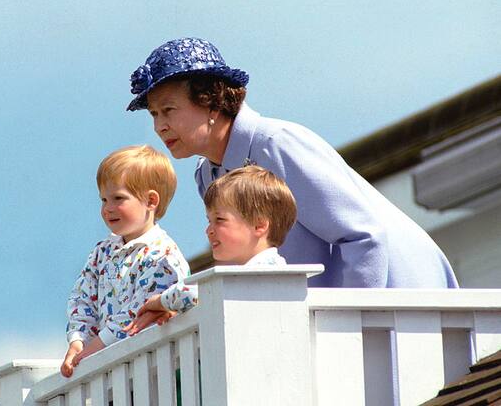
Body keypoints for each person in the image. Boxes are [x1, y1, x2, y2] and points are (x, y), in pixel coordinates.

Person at [125, 37, 458, 289]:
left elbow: (363, 236)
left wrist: (347, 331)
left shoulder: (276, 144)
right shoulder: (208, 173)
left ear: (211, 101)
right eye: (154, 114)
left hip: (403, 301)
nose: (159, 126)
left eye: (168, 110)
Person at [61, 145, 190, 377]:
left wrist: (95, 348)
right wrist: (78, 341)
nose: (107, 209)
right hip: (112, 371)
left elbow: (139, 310)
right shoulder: (103, 251)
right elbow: (82, 296)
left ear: (151, 201)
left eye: (118, 198)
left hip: (153, 369)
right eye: (103, 199)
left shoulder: (163, 255)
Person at [124, 165, 297, 335]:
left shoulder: (264, 270)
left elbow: (194, 293)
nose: (209, 230)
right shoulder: (254, 272)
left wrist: (159, 302)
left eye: (220, 219)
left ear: (259, 225)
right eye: (209, 221)